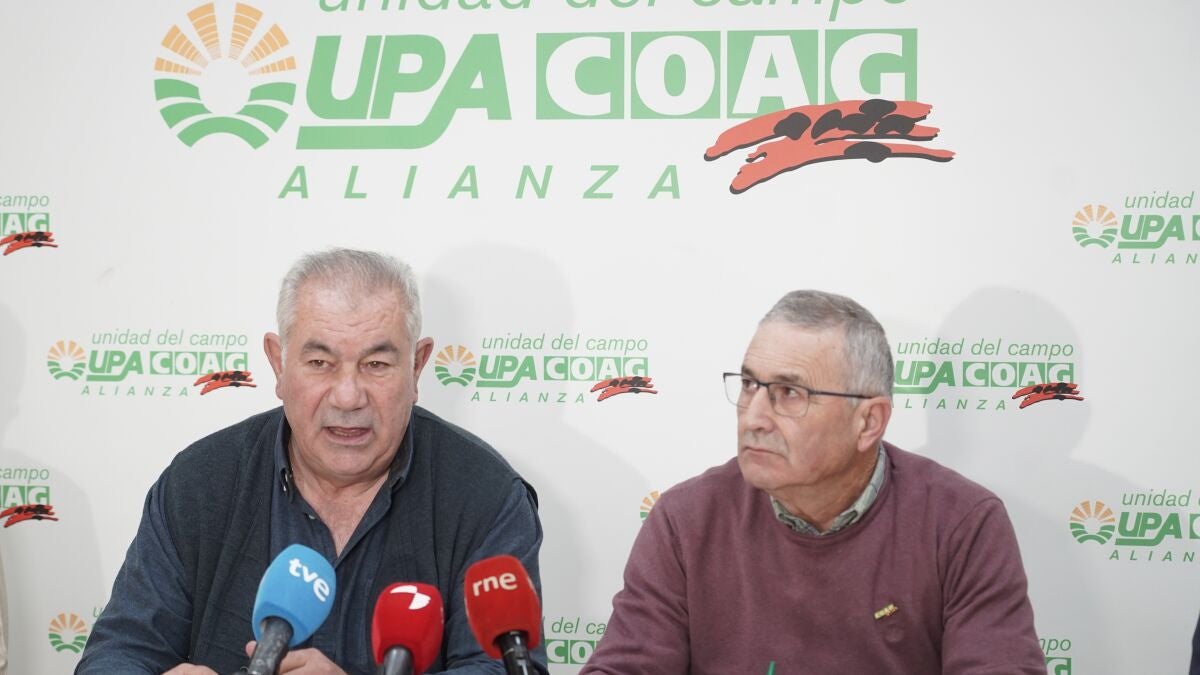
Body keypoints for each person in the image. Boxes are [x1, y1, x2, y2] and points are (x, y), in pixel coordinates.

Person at [77, 249, 548, 675]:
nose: (348, 396)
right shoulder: (201, 481)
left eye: (376, 365)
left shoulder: (485, 496)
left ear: (417, 367)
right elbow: (119, 651)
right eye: (320, 363)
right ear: (278, 364)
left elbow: (501, 669)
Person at [580, 290, 1045, 674]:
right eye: (749, 385)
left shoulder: (962, 524)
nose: (754, 417)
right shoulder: (686, 521)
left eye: (789, 393)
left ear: (868, 422)